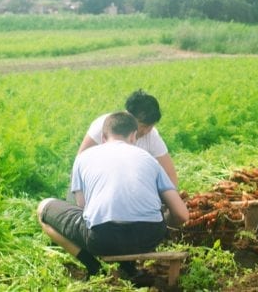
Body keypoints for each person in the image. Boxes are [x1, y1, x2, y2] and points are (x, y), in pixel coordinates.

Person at [37, 112, 189, 284]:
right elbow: (182, 215)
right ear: (133, 136)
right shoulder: (149, 160)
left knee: (43, 207)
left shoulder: (83, 158)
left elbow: (83, 208)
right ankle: (128, 267)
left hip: (102, 240)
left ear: (103, 137)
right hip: (149, 238)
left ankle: (95, 267)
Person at [77, 89, 178, 188]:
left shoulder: (151, 135)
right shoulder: (104, 126)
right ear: (128, 115)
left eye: (151, 126)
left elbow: (170, 174)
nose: (146, 131)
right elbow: (80, 162)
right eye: (143, 126)